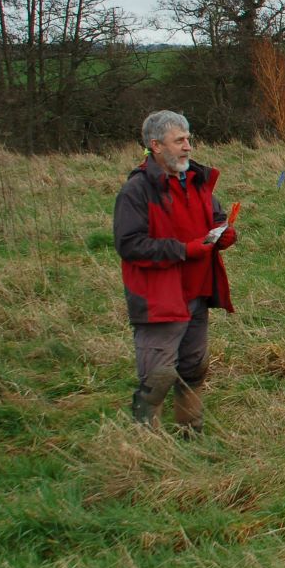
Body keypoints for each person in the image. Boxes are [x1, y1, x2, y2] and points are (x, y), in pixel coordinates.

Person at [114, 110, 238, 435]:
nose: (188, 147)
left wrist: (223, 234)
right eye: (179, 140)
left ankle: (190, 430)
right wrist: (184, 250)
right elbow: (130, 244)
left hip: (198, 291)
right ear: (155, 145)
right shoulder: (137, 191)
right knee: (158, 376)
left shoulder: (198, 182)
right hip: (160, 298)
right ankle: (146, 443)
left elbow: (216, 218)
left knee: (194, 368)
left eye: (189, 139)